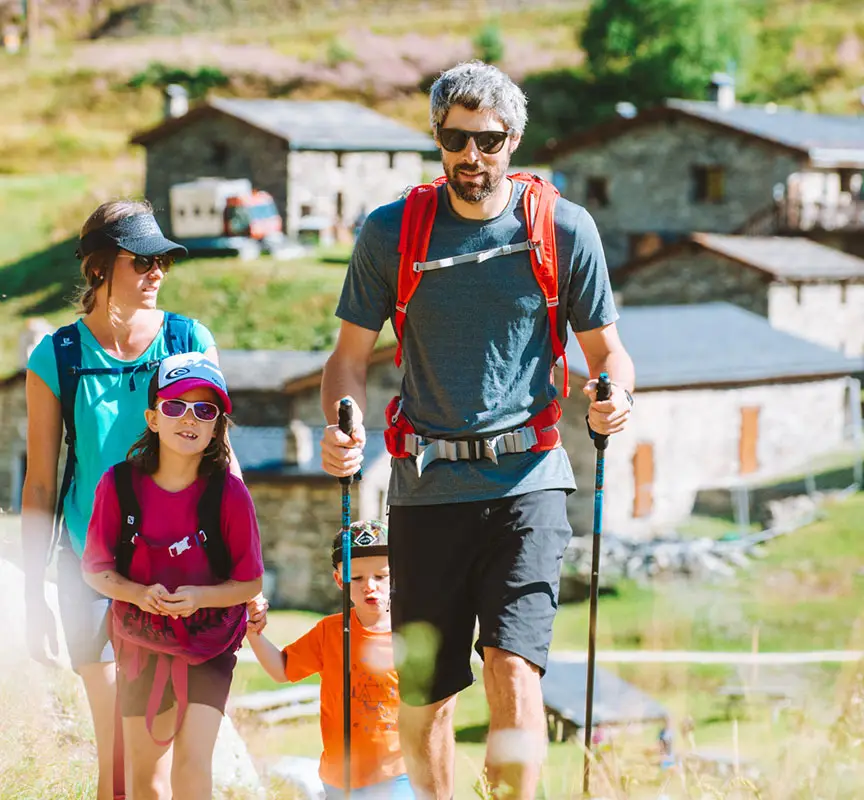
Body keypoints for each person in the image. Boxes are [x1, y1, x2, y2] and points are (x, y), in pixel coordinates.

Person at [319, 60, 635, 800]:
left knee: (513, 665)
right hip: (426, 487)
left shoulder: (561, 228)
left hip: (531, 481)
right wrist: (344, 424)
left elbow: (608, 352)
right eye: (456, 140)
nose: (472, 157)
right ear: (437, 140)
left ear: (513, 139)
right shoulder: (391, 232)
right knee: (425, 694)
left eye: (488, 140)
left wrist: (615, 395)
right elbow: (346, 359)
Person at [21, 200, 235, 799]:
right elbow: (40, 482)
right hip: (89, 570)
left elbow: (222, 460)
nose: (156, 273)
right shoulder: (57, 357)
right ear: (99, 270)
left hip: (175, 570)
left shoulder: (188, 340)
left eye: (162, 261)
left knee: (154, 768)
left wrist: (246, 568)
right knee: (117, 754)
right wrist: (31, 592)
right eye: (141, 261)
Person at [82, 353, 264, 800]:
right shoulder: (118, 485)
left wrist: (200, 597)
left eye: (205, 410)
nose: (190, 418)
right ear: (153, 417)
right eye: (175, 406)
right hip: (141, 643)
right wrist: (139, 594)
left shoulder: (229, 492)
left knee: (192, 766)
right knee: (145, 777)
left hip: (210, 644)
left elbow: (250, 583)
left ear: (217, 426)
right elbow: (95, 569)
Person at [246, 520, 414, 800]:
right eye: (356, 578)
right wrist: (254, 634)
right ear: (339, 581)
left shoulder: (409, 636)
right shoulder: (329, 632)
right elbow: (282, 669)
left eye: (380, 576)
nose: (369, 586)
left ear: (395, 576)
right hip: (340, 779)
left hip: (398, 776)